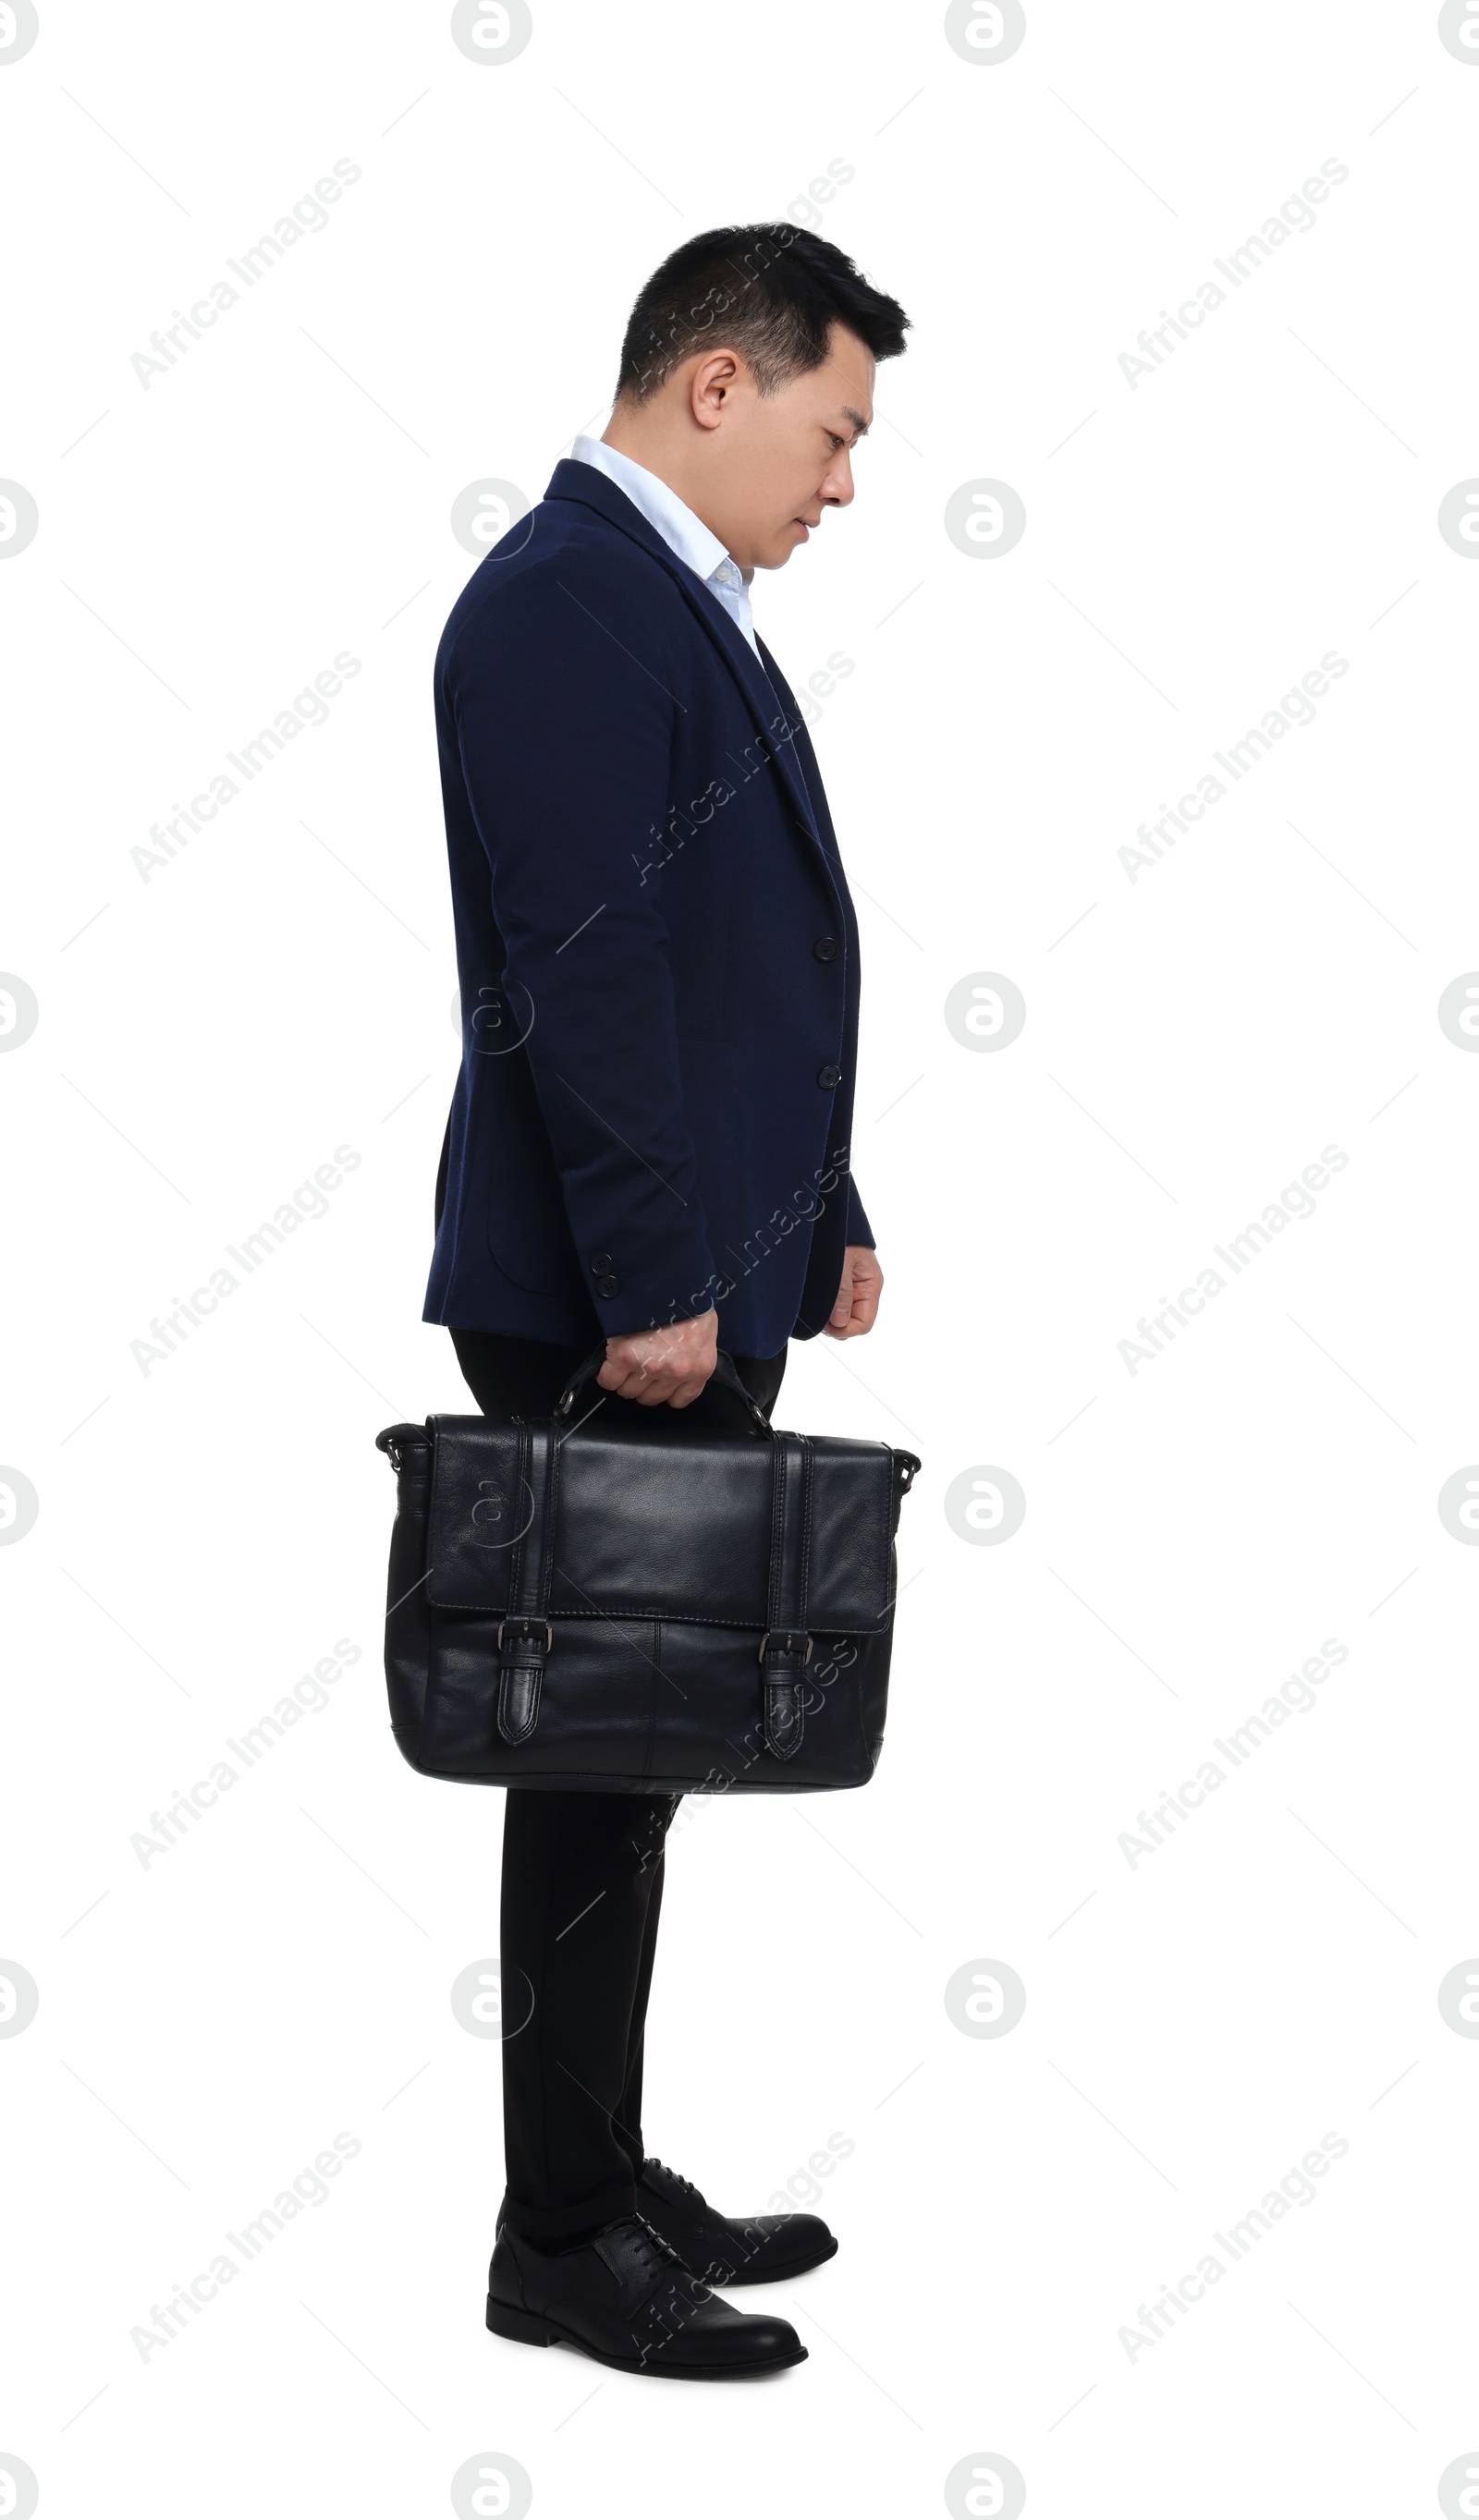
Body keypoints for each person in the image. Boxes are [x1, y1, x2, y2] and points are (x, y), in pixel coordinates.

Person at [423, 224, 910, 2380]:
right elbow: (586, 970)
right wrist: (652, 1278)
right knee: (591, 1762)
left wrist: (819, 1203)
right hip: (612, 1291)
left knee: (634, 1763)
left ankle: (603, 2175)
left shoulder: (656, 606)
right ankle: (556, 2234)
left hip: (692, 1268)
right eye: (828, 432)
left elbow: (729, 964)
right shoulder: (562, 608)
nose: (837, 485)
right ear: (716, 385)